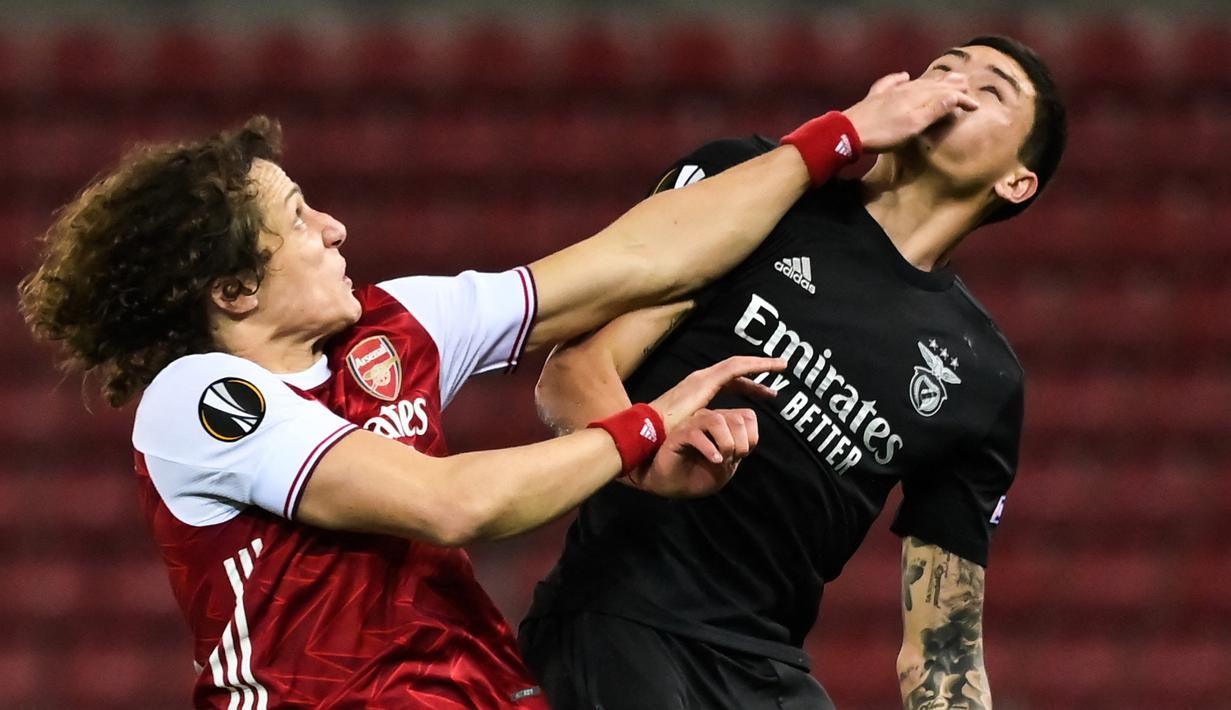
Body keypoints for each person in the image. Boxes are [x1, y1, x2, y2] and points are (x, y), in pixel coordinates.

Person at [17, 74, 969, 708]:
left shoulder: (397, 324)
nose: (335, 227)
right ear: (232, 292)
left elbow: (638, 258)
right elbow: (450, 503)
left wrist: (835, 139)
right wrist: (642, 427)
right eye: (298, 220)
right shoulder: (198, 400)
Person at [522, 35, 1067, 710]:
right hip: (621, 621)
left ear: (1015, 181)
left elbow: (943, 657)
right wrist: (650, 452)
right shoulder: (755, 192)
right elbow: (573, 370)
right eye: (942, 69)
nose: (955, 87)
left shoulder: (983, 378)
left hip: (765, 668)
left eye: (989, 91)